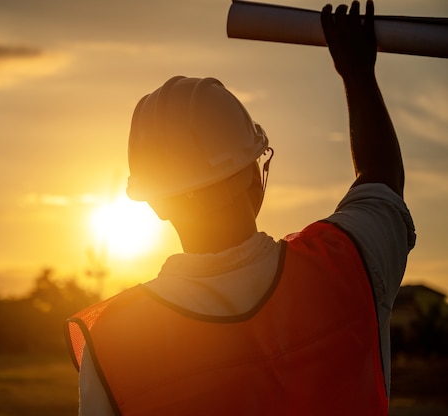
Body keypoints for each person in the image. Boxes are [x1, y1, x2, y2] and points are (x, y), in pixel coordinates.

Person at [65, 1, 416, 414]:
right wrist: (357, 73)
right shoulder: (347, 263)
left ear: (157, 204)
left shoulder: (115, 342)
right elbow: (382, 179)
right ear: (255, 178)